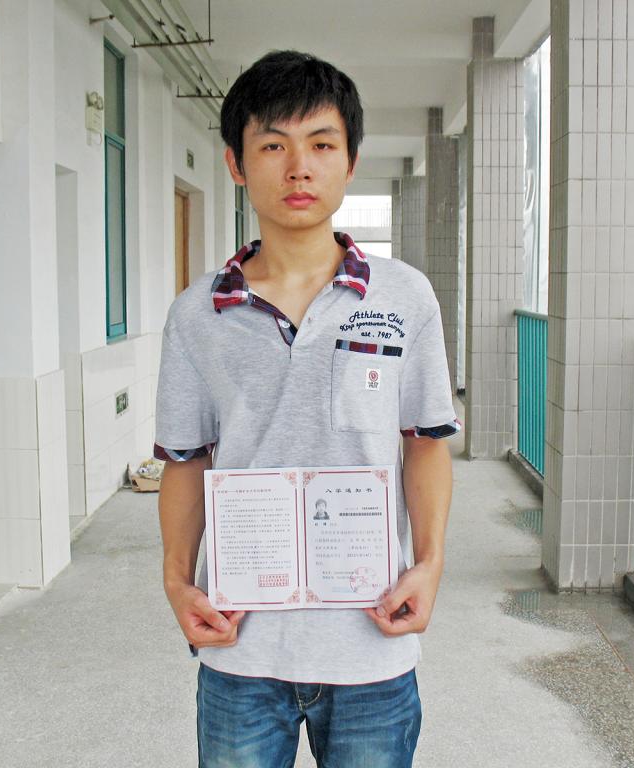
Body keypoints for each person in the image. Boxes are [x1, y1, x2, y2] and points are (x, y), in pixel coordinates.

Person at [155, 49, 459, 768]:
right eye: (273, 146)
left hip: (372, 644)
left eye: (321, 145)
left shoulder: (404, 296)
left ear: (350, 162)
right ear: (236, 163)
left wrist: (430, 563)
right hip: (240, 646)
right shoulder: (197, 314)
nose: (299, 169)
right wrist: (177, 579)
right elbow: (185, 459)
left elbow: (424, 441)